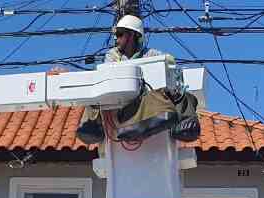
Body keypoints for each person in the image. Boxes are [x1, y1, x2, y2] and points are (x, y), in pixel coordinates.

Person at [72, 15, 200, 145]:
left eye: (120, 34)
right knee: (93, 93)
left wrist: (168, 65)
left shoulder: (153, 55)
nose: (116, 38)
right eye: (115, 34)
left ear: (132, 35)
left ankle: (183, 125)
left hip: (149, 105)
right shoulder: (112, 57)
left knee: (180, 93)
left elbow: (170, 68)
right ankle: (92, 128)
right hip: (123, 110)